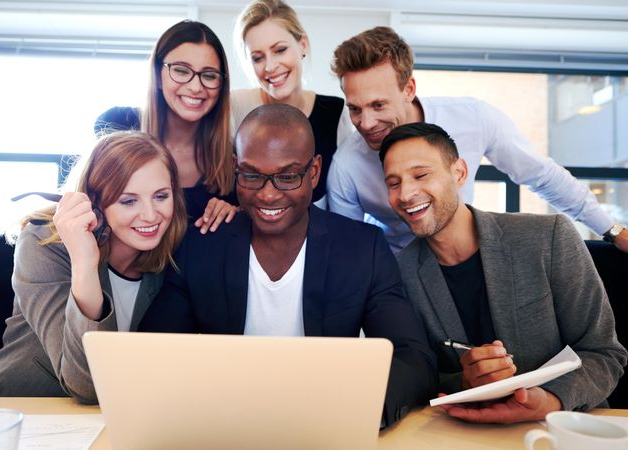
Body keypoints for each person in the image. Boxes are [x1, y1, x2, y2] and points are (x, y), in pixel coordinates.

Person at [139, 104, 437, 427]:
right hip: (224, 425)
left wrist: (352, 410)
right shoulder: (200, 246)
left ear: (313, 172)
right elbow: (149, 355)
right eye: (252, 175)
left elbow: (414, 360)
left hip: (324, 426)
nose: (268, 195)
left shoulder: (362, 249)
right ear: (236, 168)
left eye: (287, 176)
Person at [380, 122, 627, 424]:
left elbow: (604, 353)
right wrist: (464, 382)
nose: (406, 193)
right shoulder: (399, 275)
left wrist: (550, 399)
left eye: (421, 175)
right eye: (393, 183)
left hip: (566, 426)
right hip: (463, 432)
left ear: (458, 173)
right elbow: (420, 375)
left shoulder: (548, 237)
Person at [327, 26, 628, 255]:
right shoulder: (347, 164)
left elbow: (541, 175)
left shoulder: (473, 118)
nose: (365, 123)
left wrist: (612, 230)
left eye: (379, 105)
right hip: (400, 278)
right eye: (354, 108)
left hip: (469, 259)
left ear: (408, 89)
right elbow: (349, 250)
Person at [0, 132, 187, 403]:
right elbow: (85, 384)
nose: (151, 215)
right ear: (93, 204)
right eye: (128, 200)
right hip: (11, 408)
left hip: (104, 420)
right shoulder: (43, 244)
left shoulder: (169, 251)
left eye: (161, 196)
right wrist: (84, 262)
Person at [231, 0, 353, 208]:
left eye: (280, 50)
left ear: (302, 45)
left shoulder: (334, 112)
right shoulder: (235, 107)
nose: (270, 66)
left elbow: (341, 202)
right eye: (257, 58)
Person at [142, 20, 237, 233]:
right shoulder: (119, 127)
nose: (195, 87)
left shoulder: (232, 162)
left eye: (209, 75)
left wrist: (232, 213)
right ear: (158, 75)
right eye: (182, 71)